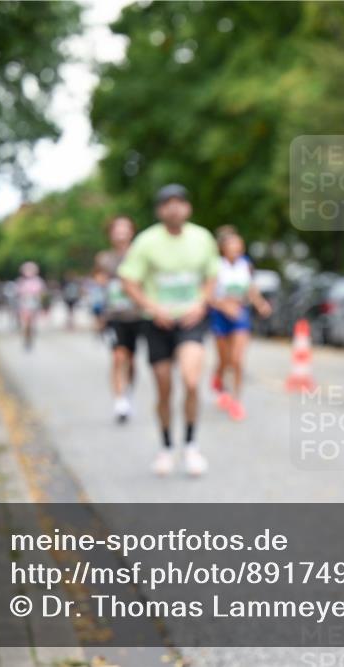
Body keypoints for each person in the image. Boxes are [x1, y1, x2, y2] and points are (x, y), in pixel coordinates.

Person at [120, 184, 218, 477]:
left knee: (190, 381)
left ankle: (190, 444)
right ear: (159, 210)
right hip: (157, 323)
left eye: (179, 202)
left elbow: (212, 277)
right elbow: (129, 281)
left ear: (187, 208)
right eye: (167, 203)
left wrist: (201, 304)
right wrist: (152, 307)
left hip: (191, 320)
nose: (174, 208)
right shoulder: (146, 242)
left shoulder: (202, 238)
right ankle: (165, 447)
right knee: (164, 388)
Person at [209, 226, 271, 421]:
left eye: (239, 245)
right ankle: (219, 380)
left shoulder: (245, 265)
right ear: (223, 248)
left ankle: (236, 400)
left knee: (237, 359)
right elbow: (207, 294)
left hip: (240, 314)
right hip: (220, 315)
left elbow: (250, 288)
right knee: (224, 360)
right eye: (232, 244)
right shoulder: (215, 266)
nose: (236, 248)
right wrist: (223, 306)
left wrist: (260, 304)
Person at [94, 215, 141, 423]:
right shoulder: (104, 258)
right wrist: (98, 314)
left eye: (125, 229)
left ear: (132, 232)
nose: (121, 233)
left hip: (137, 315)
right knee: (117, 357)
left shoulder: (140, 255)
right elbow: (98, 286)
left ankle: (128, 391)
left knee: (131, 359)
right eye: (117, 229)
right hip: (114, 315)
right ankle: (119, 400)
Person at [16, 261, 45, 351]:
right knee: (25, 324)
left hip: (34, 305)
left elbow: (41, 293)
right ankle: (26, 339)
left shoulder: (38, 281)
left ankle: (30, 338)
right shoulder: (21, 281)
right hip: (24, 305)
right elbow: (18, 293)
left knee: (31, 323)